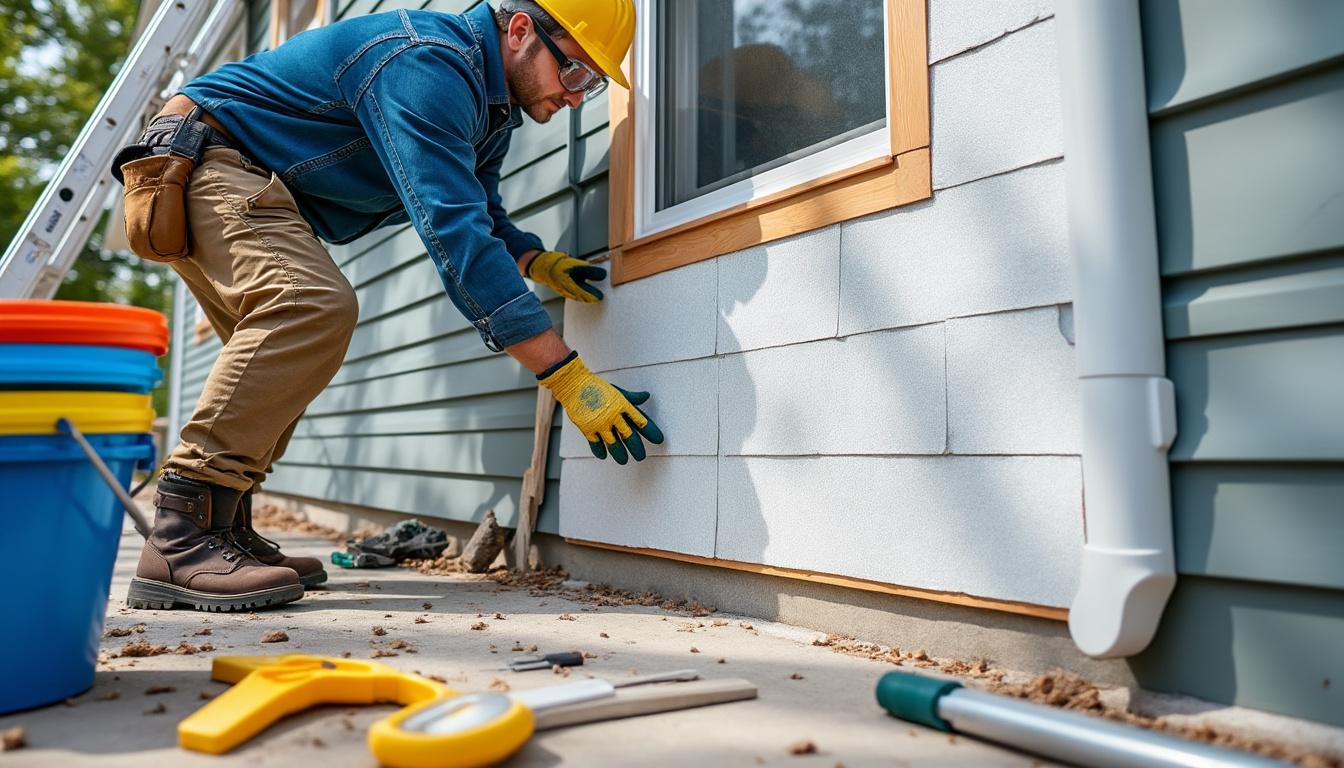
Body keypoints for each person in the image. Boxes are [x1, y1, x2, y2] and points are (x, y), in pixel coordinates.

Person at [114, 0, 661, 613]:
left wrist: (535, 261)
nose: (573, 98)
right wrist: (567, 376)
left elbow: (480, 211)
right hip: (204, 157)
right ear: (520, 31)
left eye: (591, 88)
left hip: (250, 172)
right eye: (577, 74)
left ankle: (221, 528)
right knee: (309, 307)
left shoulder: (492, 109)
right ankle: (181, 538)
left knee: (283, 360)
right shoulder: (426, 62)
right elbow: (454, 233)